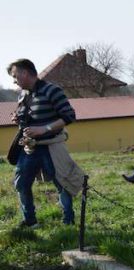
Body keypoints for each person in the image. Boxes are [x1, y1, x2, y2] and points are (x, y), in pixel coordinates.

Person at [7, 58, 84, 227]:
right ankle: (30, 221)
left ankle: (68, 222)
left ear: (25, 73)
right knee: (21, 183)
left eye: (15, 76)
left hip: (51, 147)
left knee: (62, 184)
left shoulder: (52, 90)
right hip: (29, 148)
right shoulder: (22, 95)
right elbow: (28, 117)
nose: (14, 81)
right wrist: (18, 120)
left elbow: (69, 116)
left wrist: (44, 129)